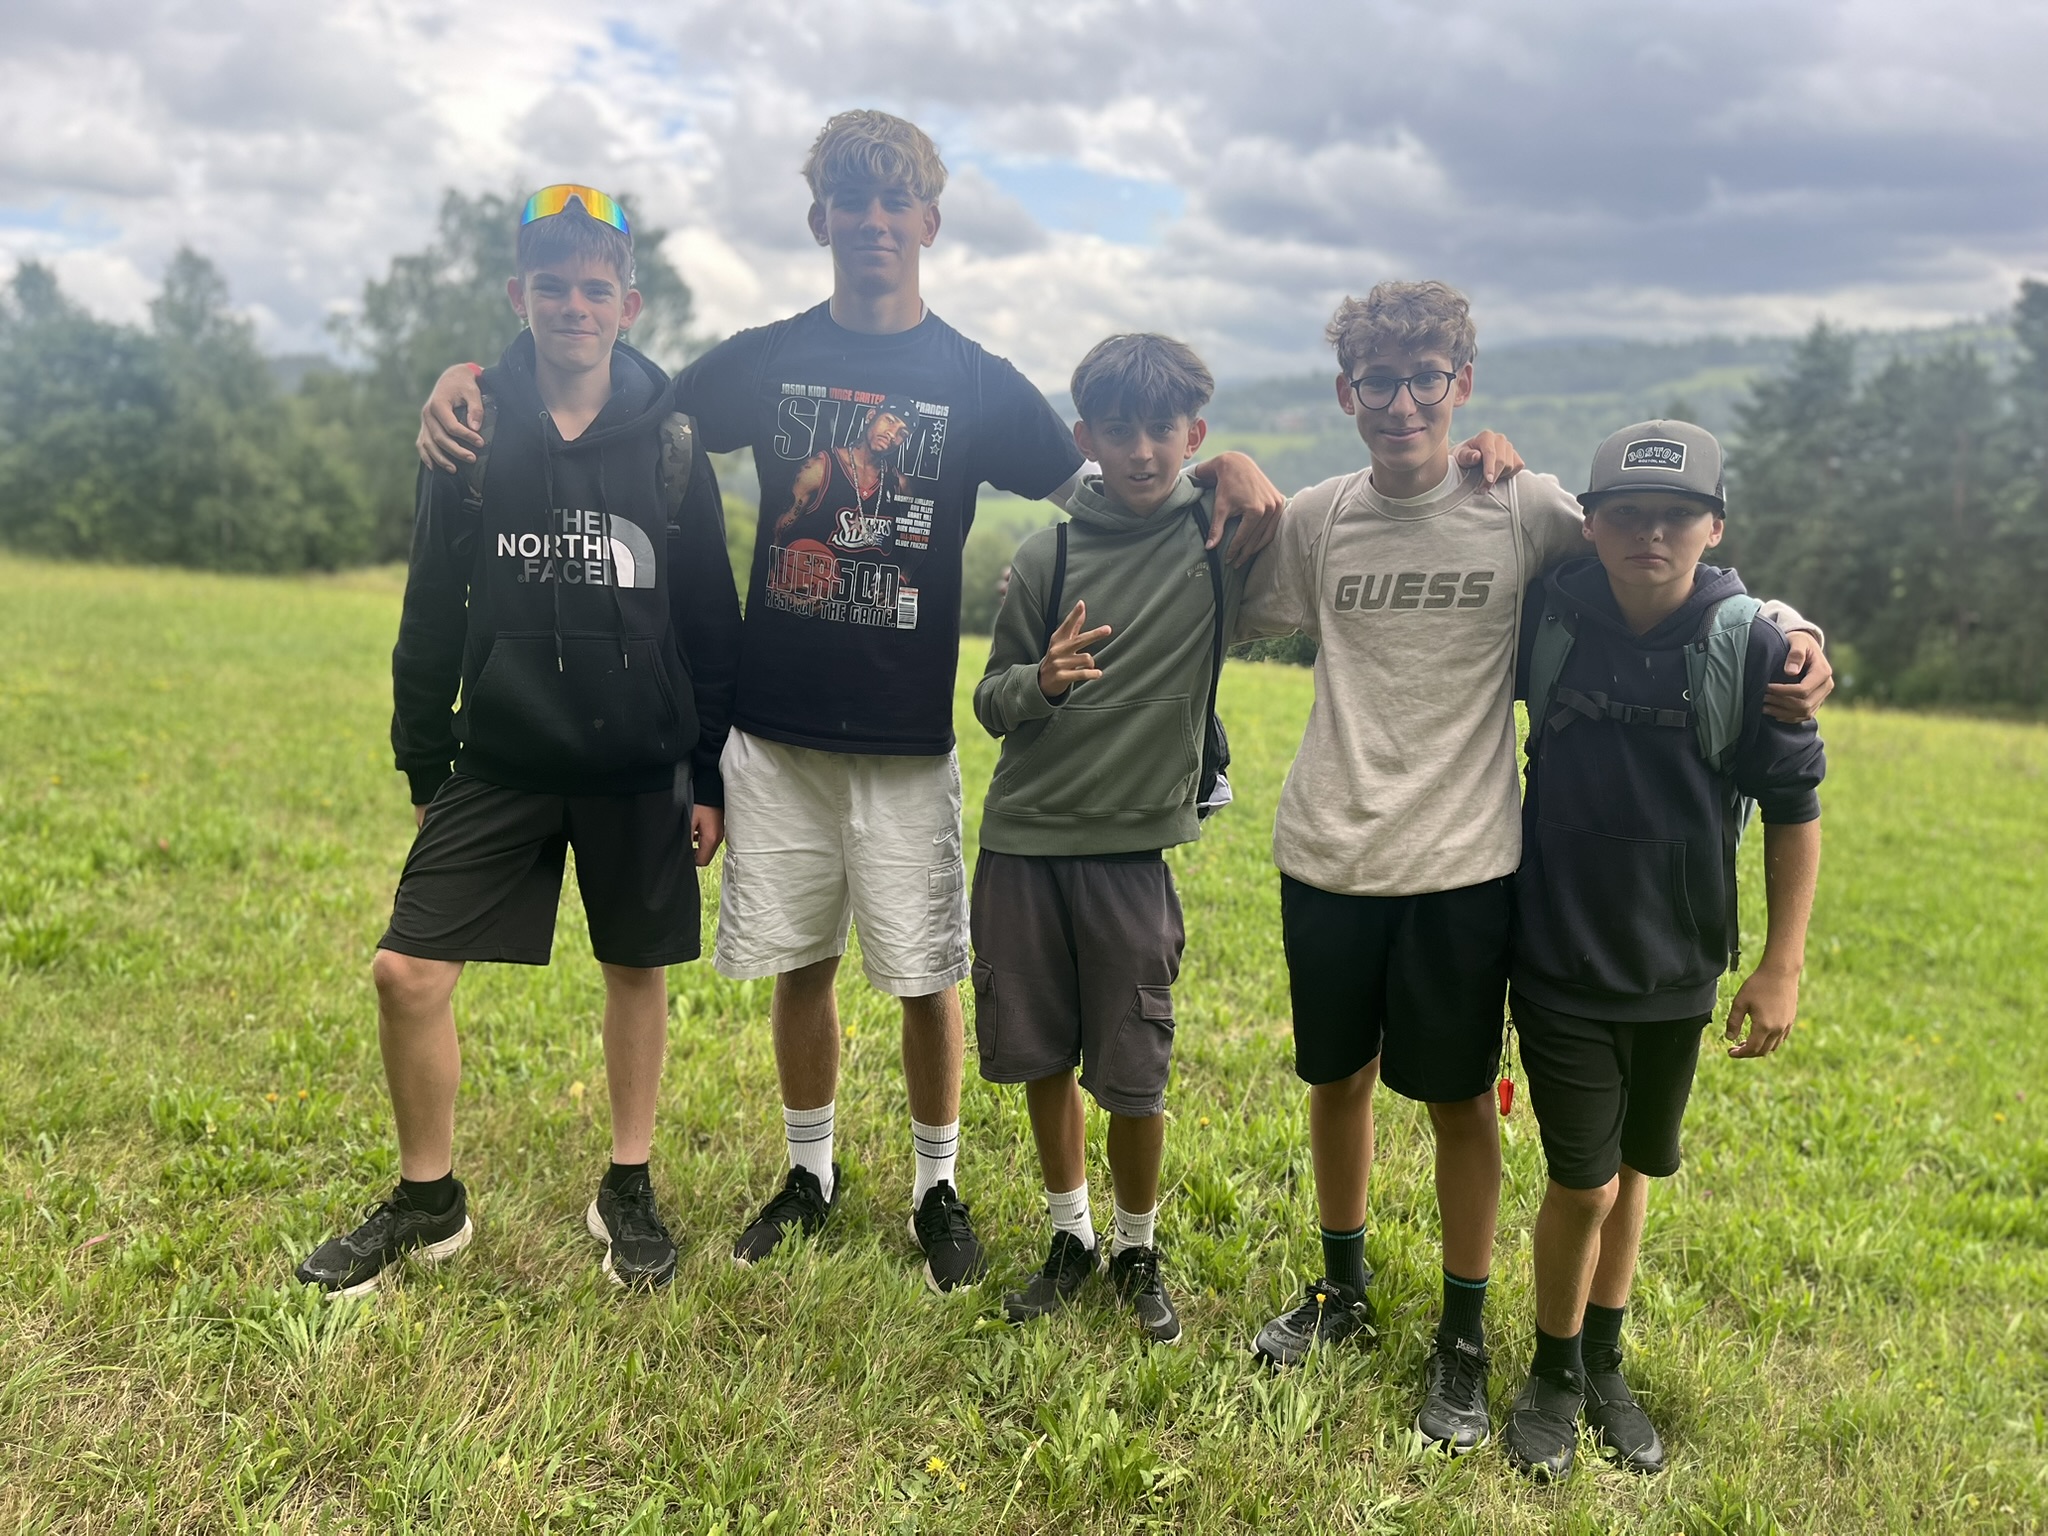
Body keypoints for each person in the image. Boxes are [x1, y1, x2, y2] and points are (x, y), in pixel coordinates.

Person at [415, 112, 1296, 1294]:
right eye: (850, 201)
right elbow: (610, 387)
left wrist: (1219, 467)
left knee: (926, 976)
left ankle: (936, 1187)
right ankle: (809, 1174)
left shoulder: (974, 381)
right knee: (803, 965)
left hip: (905, 739)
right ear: (818, 219)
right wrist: (469, 377)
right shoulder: (762, 359)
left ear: (926, 222)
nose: (872, 222)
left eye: (893, 203)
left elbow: (1107, 484)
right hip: (773, 733)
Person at [1235, 281, 1833, 1453]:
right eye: (1375, 382)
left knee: (1461, 1104)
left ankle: (1461, 1337)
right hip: (1325, 850)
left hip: (1465, 862)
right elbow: (1214, 586)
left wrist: (1792, 628)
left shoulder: (1521, 506)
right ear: (1344, 394)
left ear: (1460, 384)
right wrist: (1218, 473)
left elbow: (1672, 568)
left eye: (1424, 379)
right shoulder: (1316, 517)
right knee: (1336, 1083)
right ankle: (1341, 1288)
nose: (1400, 404)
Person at [296, 185, 741, 1297]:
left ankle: (627, 1184)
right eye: (552, 286)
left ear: (629, 303)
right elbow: (429, 604)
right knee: (406, 973)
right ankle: (428, 1202)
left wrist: (707, 774)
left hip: (637, 764)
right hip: (498, 758)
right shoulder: (471, 428)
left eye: (595, 288)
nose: (573, 306)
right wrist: (421, 759)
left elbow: (708, 618)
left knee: (635, 971)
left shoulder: (673, 440)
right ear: (517, 294)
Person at [1500, 420, 1823, 1478]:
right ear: (1589, 525)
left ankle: (1603, 1360)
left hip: (1679, 964)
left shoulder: (1751, 646)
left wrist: (1780, 963)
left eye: (1676, 515)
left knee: (1636, 1169)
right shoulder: (1547, 614)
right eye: (1626, 514)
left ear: (1713, 527)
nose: (1651, 534)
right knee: (1583, 1182)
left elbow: (1793, 808)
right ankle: (1551, 1372)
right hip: (1556, 952)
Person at [972, 333, 1244, 1345]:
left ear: (1193, 435)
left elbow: (1295, 517)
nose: (1141, 450)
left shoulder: (1218, 544)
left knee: (1134, 1072)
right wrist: (1037, 683)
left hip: (1133, 853)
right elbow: (990, 700)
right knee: (1041, 1055)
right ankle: (1070, 1236)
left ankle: (1137, 1247)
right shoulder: (1046, 555)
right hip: (1023, 843)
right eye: (1118, 430)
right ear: (1084, 437)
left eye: (1161, 429)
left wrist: (1239, 470)